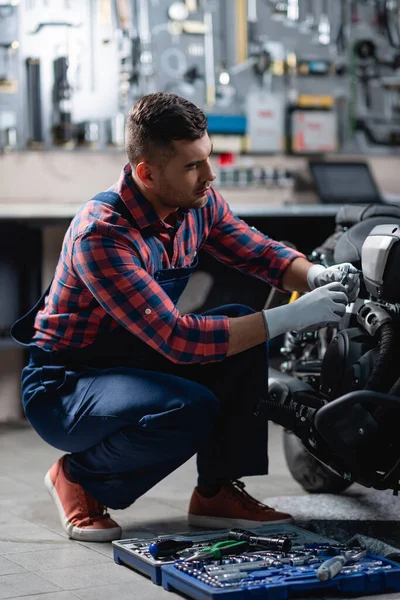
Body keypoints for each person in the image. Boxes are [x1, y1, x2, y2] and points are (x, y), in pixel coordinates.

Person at [11, 92, 360, 543]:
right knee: (190, 409)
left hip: (136, 358)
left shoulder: (197, 203)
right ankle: (77, 477)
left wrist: (314, 273)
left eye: (207, 159)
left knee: (238, 319)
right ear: (147, 174)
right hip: (67, 384)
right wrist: (290, 316)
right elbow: (178, 339)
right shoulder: (103, 234)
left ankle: (216, 492)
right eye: (193, 166)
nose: (209, 176)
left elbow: (259, 252)